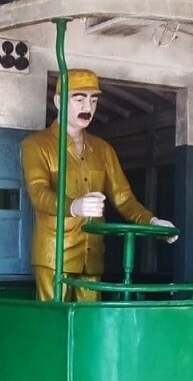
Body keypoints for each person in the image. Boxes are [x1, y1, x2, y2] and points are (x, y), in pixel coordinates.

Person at [21, 68, 177, 302]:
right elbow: (38, 193)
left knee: (89, 323)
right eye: (79, 99)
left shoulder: (103, 149)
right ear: (58, 101)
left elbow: (124, 198)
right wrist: (75, 207)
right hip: (54, 255)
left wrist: (153, 223)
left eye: (93, 100)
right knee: (51, 322)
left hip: (92, 255)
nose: (88, 107)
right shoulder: (36, 145)